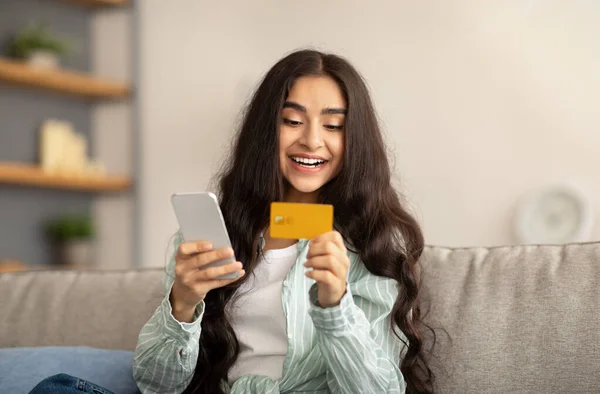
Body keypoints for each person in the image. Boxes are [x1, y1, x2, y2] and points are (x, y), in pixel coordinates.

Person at [31, 48, 434, 394]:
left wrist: (335, 305)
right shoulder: (215, 233)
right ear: (265, 131)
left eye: (333, 125)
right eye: (292, 121)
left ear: (354, 140)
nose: (312, 140)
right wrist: (183, 304)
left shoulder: (375, 243)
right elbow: (156, 385)